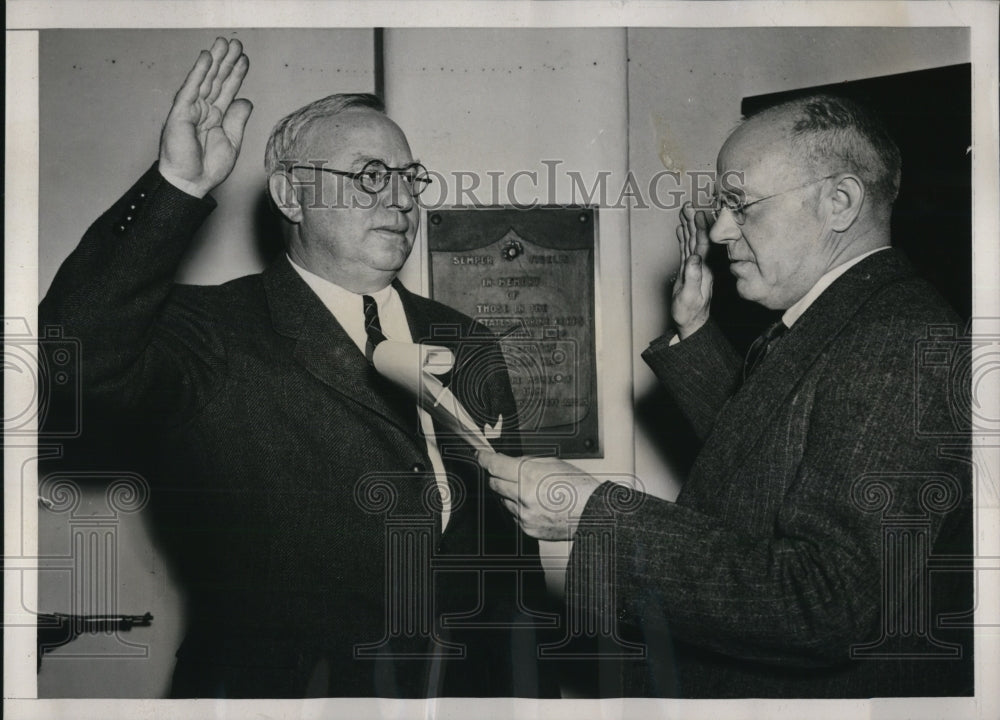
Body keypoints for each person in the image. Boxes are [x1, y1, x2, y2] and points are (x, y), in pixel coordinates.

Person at [40, 37, 555, 699]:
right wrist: (176, 187)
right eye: (371, 175)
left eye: (410, 178)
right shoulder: (214, 330)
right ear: (291, 194)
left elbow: (511, 562)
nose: (402, 200)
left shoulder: (467, 340)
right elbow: (71, 350)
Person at [479, 94, 973, 697]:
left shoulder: (896, 340)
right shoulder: (850, 317)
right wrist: (694, 331)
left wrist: (598, 518)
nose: (719, 230)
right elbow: (771, 457)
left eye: (741, 205)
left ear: (839, 202)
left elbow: (825, 602)